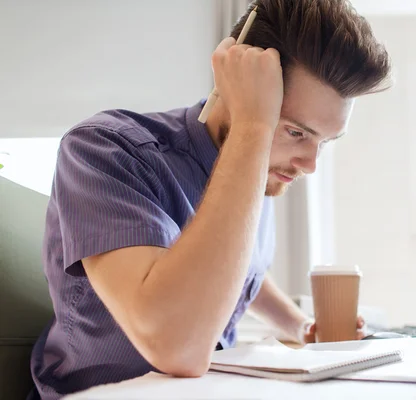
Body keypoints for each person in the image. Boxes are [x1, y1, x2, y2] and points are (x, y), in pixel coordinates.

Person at [29, 0, 392, 398]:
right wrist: (253, 126)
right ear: (234, 84)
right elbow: (177, 347)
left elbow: (242, 267)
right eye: (295, 132)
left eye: (325, 142)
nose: (309, 165)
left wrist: (301, 326)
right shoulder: (106, 150)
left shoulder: (258, 170)